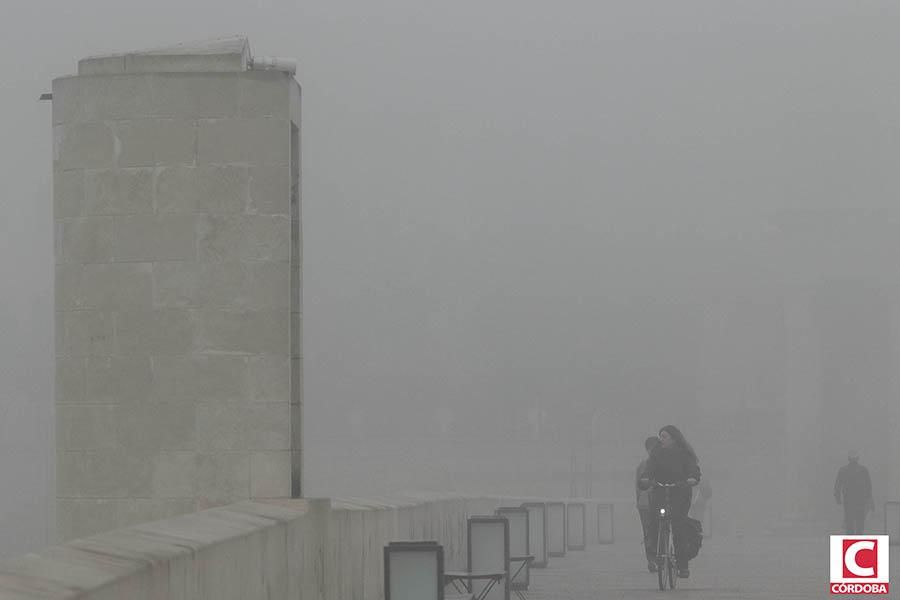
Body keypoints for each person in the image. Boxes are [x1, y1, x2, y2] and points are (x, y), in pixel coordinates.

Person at [640, 425, 701, 579]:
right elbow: (649, 469)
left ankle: (682, 564)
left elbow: (692, 468)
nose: (661, 439)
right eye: (660, 436)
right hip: (660, 491)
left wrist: (692, 478)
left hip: (679, 492)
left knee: (678, 526)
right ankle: (655, 550)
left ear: (673, 438)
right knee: (654, 520)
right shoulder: (656, 453)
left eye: (664, 436)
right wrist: (646, 479)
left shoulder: (684, 453)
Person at [834, 450, 874, 535]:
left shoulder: (843, 470)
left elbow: (837, 485)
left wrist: (838, 498)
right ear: (858, 458)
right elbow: (868, 486)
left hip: (848, 501)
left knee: (849, 522)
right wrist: (869, 499)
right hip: (860, 501)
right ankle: (858, 540)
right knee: (859, 522)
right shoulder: (863, 470)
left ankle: (851, 541)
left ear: (848, 459)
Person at [636, 436, 661, 572]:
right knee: (648, 531)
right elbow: (638, 486)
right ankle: (651, 560)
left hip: (654, 501)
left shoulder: (659, 463)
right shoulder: (643, 465)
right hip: (646, 503)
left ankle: (658, 557)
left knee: (655, 529)